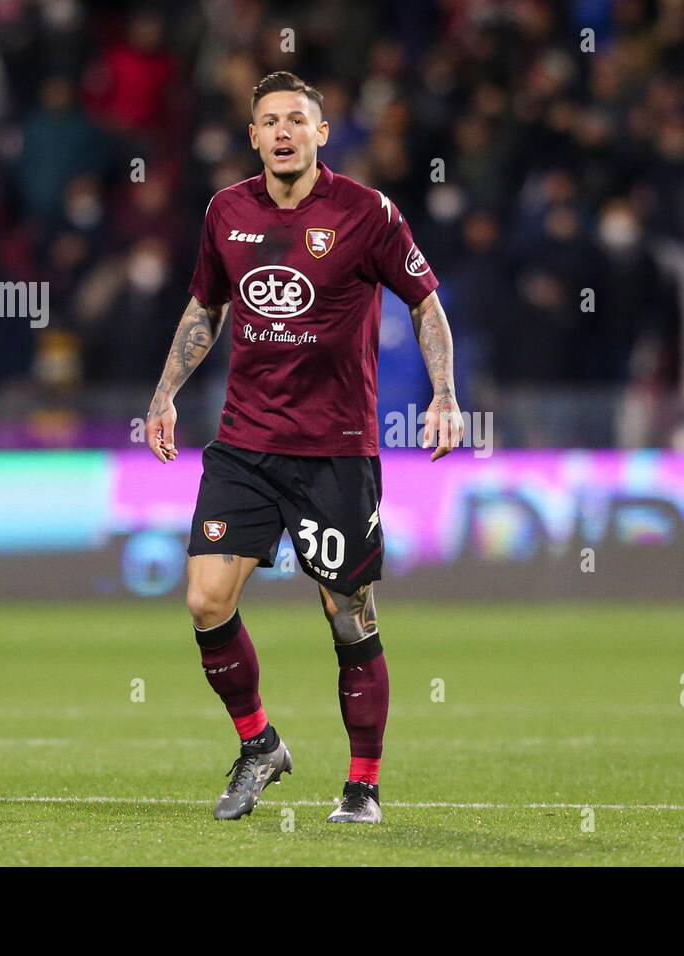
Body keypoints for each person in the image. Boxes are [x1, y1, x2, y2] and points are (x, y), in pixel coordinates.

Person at [143, 72, 464, 824]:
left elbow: (426, 303)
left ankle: (362, 784)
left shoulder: (366, 214)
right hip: (245, 445)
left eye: (297, 119)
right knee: (203, 599)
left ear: (323, 133)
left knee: (347, 614)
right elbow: (206, 305)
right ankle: (259, 745)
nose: (282, 131)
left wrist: (445, 394)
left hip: (335, 450)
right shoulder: (227, 211)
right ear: (252, 136)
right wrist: (164, 392)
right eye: (268, 121)